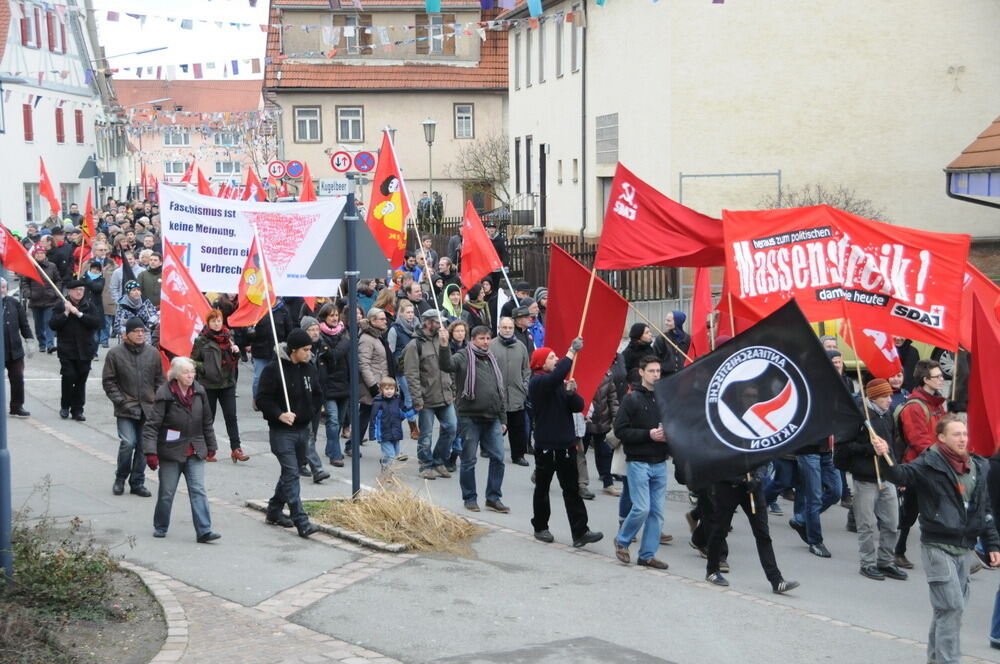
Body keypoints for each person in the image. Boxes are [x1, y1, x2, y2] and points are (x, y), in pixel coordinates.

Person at [876, 417, 1000, 664]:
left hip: (964, 547)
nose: (963, 438)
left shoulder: (978, 466)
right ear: (941, 437)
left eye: (964, 433)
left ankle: (935, 659)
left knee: (947, 609)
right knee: (952, 607)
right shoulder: (929, 463)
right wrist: (883, 454)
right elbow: (899, 475)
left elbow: (984, 508)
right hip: (937, 546)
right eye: (956, 434)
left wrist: (993, 544)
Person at [527, 340, 604, 547]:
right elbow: (555, 377)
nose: (556, 359)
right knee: (542, 488)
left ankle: (580, 532)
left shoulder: (558, 383)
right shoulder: (538, 382)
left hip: (566, 444)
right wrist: (571, 351)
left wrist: (571, 393)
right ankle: (540, 526)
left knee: (571, 490)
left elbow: (577, 406)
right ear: (541, 364)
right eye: (552, 357)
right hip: (546, 445)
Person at [834, 379, 907, 581]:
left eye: (890, 396)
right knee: (866, 524)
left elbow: (891, 446)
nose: (889, 400)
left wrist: (897, 471)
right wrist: (868, 448)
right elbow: (842, 447)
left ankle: (886, 562)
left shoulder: (888, 416)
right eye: (885, 396)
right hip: (865, 479)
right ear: (873, 397)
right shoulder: (859, 416)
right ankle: (867, 563)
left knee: (892, 523)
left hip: (886, 477)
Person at [142, 357, 220, 543]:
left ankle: (204, 530)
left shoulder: (199, 392)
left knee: (198, 490)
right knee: (167, 492)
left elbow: (207, 421)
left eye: (192, 371)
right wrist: (150, 452)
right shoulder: (165, 394)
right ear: (176, 374)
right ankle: (160, 525)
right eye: (186, 372)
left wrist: (211, 446)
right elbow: (152, 426)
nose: (190, 375)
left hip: (195, 448)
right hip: (171, 450)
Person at [257, 328, 322, 538]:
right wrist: (279, 414)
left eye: (310, 349)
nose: (309, 353)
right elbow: (262, 400)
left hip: (304, 429)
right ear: (294, 350)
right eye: (305, 350)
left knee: (289, 473)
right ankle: (301, 520)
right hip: (281, 432)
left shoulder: (309, 368)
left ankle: (274, 510)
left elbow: (318, 394)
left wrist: (311, 412)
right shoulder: (273, 370)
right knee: (292, 473)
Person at [439, 324, 508, 513]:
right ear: (473, 340)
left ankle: (493, 498)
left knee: (498, 458)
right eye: (481, 339)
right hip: (470, 417)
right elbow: (446, 365)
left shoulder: (492, 359)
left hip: (492, 417)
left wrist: (503, 418)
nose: (485, 342)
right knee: (469, 460)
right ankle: (470, 497)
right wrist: (444, 345)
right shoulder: (463, 356)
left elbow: (499, 391)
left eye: (488, 338)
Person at [703, 465, 801, 595]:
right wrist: (740, 479)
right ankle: (712, 571)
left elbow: (762, 455)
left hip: (753, 486)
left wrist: (758, 477)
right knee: (720, 529)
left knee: (763, 534)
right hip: (728, 486)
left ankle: (776, 580)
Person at [613, 355, 668, 569]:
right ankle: (622, 540)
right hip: (638, 461)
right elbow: (621, 430)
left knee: (657, 513)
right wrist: (649, 434)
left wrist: (668, 435)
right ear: (641, 373)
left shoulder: (664, 398)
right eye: (652, 371)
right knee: (642, 508)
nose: (656, 375)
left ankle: (647, 554)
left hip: (660, 461)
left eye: (658, 371)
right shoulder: (632, 399)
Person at [895, 359, 948, 569]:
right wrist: (942, 457)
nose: (942, 379)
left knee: (940, 509)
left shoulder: (936, 403)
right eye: (938, 376)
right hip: (919, 467)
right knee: (911, 512)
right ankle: (897, 550)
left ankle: (945, 555)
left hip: (934, 465)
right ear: (925, 380)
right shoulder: (915, 407)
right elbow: (919, 441)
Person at [102, 317, 164, 497]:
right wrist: (120, 400)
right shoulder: (115, 354)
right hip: (126, 408)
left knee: (144, 447)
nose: (140, 334)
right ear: (126, 334)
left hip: (148, 408)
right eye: (135, 331)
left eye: (142, 331)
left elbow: (160, 380)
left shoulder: (153, 353)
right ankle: (120, 478)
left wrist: (157, 400)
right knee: (128, 443)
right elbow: (109, 381)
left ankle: (137, 482)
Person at [403, 310, 457, 480]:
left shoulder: (442, 340)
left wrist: (453, 389)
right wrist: (417, 399)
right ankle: (425, 464)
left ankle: (438, 460)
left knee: (451, 428)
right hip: (427, 398)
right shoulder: (414, 345)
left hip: (445, 395)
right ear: (427, 322)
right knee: (425, 434)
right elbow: (411, 374)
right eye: (437, 322)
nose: (442, 325)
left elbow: (450, 365)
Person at [191, 310, 248, 463]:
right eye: (213, 321)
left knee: (231, 417)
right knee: (209, 418)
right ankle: (209, 450)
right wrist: (205, 368)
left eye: (219, 320)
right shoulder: (201, 340)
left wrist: (236, 352)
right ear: (208, 322)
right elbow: (193, 361)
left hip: (227, 384)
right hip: (209, 385)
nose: (217, 324)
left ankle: (236, 448)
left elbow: (234, 361)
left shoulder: (228, 338)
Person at [50, 280, 102, 421]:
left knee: (81, 379)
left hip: (85, 349)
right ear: (69, 291)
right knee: (69, 377)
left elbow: (96, 323)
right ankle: (65, 406)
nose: (79, 292)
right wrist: (66, 313)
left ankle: (78, 409)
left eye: (81, 289)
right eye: (76, 289)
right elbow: (53, 325)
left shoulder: (88, 305)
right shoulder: (61, 305)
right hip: (67, 348)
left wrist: (79, 314)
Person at [490, 317, 530, 467]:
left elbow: (526, 369)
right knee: (494, 425)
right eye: (504, 327)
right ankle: (489, 449)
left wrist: (524, 386)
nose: (507, 330)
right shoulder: (492, 345)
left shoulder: (521, 347)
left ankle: (518, 455)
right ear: (499, 328)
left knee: (518, 427)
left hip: (516, 394)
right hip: (496, 394)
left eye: (510, 328)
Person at [315, 302, 350, 467]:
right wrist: (334, 351)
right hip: (328, 385)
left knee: (341, 421)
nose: (335, 318)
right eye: (331, 315)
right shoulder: (319, 336)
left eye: (336, 315)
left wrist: (332, 351)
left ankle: (330, 448)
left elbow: (337, 353)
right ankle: (336, 454)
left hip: (344, 383)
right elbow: (331, 354)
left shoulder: (344, 332)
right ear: (324, 317)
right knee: (333, 420)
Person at [298, 316, 331, 483]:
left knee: (313, 434)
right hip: (303, 399)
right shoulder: (300, 352)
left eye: (317, 329)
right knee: (308, 434)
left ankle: (301, 461)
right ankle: (316, 468)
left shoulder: (322, 347)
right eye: (311, 329)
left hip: (318, 397)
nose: (315, 332)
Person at [358, 307, 394, 453]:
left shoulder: (378, 335)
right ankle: (353, 444)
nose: (385, 321)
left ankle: (389, 448)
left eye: (385, 319)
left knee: (374, 415)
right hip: (373, 384)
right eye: (382, 319)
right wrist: (373, 386)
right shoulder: (367, 338)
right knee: (366, 414)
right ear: (373, 321)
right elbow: (363, 364)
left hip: (383, 382)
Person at [387, 300, 421, 441]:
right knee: (409, 397)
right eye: (407, 312)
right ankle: (413, 427)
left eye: (412, 312)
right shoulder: (395, 329)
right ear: (401, 313)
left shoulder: (418, 327)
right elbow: (391, 351)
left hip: (417, 367)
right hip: (402, 369)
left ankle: (396, 420)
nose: (410, 315)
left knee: (410, 398)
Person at [1, 278, 33, 417]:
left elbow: (24, 323)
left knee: (18, 378)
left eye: (3, 287)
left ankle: (17, 406)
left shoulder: (14, 303)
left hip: (14, 350)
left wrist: (29, 340)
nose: (1, 290)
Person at [586, 367, 620, 495]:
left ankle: (608, 483)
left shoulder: (607, 373)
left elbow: (613, 398)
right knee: (579, 455)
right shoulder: (581, 371)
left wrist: (616, 417)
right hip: (586, 421)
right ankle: (579, 483)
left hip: (603, 421)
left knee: (606, 453)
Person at [370, 377, 416, 470]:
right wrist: (373, 434)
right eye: (386, 389)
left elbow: (405, 412)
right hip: (384, 434)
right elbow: (373, 419)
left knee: (395, 455)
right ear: (381, 390)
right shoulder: (377, 403)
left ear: (395, 389)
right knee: (390, 454)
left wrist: (415, 410)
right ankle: (387, 471)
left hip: (396, 433)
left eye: (391, 389)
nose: (389, 391)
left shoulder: (397, 401)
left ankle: (384, 461)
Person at [22, 244, 61, 353]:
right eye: (38, 253)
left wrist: (55, 292)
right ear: (34, 255)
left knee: (49, 322)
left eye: (42, 253)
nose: (40, 255)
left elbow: (58, 280)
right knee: (38, 325)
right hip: (35, 300)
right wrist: (28, 293)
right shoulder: (30, 267)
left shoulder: (52, 266)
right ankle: (42, 344)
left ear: (45, 254)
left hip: (50, 300)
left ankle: (50, 344)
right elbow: (25, 282)